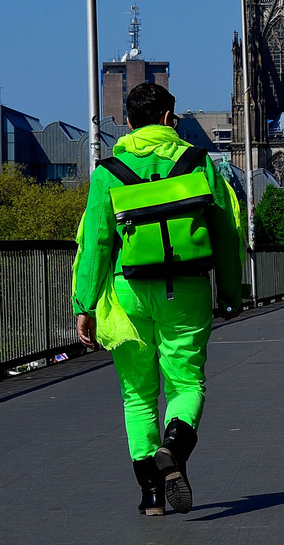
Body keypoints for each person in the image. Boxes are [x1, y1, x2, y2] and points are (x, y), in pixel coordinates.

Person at [72, 82, 243, 517]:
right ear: (171, 119)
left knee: (138, 396)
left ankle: (150, 496)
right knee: (186, 384)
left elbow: (94, 244)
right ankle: (174, 447)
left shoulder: (108, 171)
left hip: (127, 292)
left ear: (128, 122)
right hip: (185, 287)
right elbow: (224, 232)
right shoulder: (197, 161)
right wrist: (230, 291)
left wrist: (84, 305)